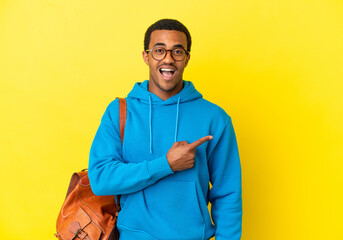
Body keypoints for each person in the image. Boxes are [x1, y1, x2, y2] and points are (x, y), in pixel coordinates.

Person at [88, 19, 242, 240]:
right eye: (159, 50)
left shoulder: (215, 118)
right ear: (146, 56)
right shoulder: (120, 112)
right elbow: (101, 179)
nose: (168, 58)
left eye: (177, 51)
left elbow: (228, 194)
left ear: (187, 58)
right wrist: (167, 164)